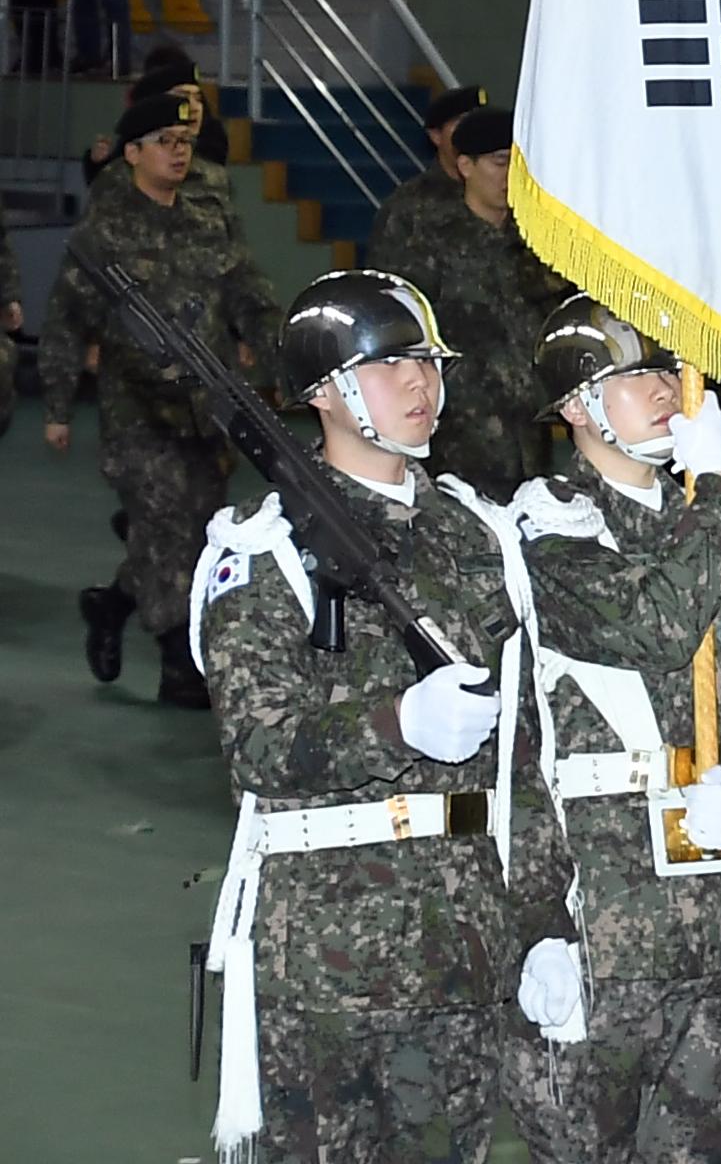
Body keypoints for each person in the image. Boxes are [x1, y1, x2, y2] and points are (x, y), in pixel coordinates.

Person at [189, 273, 544, 1164]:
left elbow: (527, 758)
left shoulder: (480, 533)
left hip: (463, 938)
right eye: (390, 365)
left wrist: (544, 921)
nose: (422, 383)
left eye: (428, 360)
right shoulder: (265, 546)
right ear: (325, 394)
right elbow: (259, 748)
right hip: (326, 956)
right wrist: (393, 726)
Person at [505, 301, 721, 1164]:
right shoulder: (546, 524)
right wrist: (538, 918)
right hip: (595, 917)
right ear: (577, 407)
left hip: (709, 916)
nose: (665, 391)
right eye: (634, 377)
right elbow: (656, 622)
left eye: (668, 372)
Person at [43, 88, 284, 709]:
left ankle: (115, 600)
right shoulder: (105, 233)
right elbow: (68, 320)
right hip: (138, 412)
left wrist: (279, 358)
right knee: (163, 524)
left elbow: (248, 292)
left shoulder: (205, 219)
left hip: (206, 408)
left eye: (185, 143)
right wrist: (58, 406)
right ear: (132, 153)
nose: (180, 154)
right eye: (166, 144)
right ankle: (180, 667)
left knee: (194, 532)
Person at [364, 101, 566, 497]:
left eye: (520, 165)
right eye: (499, 163)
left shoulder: (542, 243)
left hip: (532, 436)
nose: (511, 177)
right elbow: (398, 329)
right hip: (458, 438)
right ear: (466, 167)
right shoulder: (427, 240)